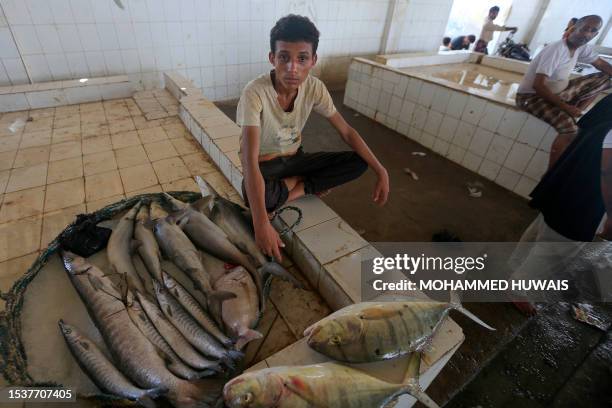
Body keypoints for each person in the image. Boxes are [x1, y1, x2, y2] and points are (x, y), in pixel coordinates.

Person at [236, 14, 390, 261]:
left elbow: (347, 131)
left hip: (297, 158)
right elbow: (249, 161)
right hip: (266, 165)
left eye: (302, 59)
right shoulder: (254, 92)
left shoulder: (315, 88)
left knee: (359, 161)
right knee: (258, 199)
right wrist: (261, 223)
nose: (292, 68)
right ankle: (303, 183)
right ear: (272, 58)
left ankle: (299, 185)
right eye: (284, 57)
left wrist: (381, 170)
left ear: (313, 60)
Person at [509, 94, 612, 315]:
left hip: (570, 173)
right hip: (586, 191)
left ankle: (515, 266)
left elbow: (581, 128)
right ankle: (520, 289)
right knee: (560, 244)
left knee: (546, 224)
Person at [515, 15, 612, 168]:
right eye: (585, 28)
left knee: (606, 78)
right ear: (575, 27)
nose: (587, 34)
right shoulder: (556, 49)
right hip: (531, 97)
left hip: (558, 93)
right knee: (570, 130)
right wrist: (565, 108)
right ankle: (550, 175)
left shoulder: (582, 48)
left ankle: (577, 111)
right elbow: (538, 86)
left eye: (593, 31)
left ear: (596, 35)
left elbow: (601, 64)